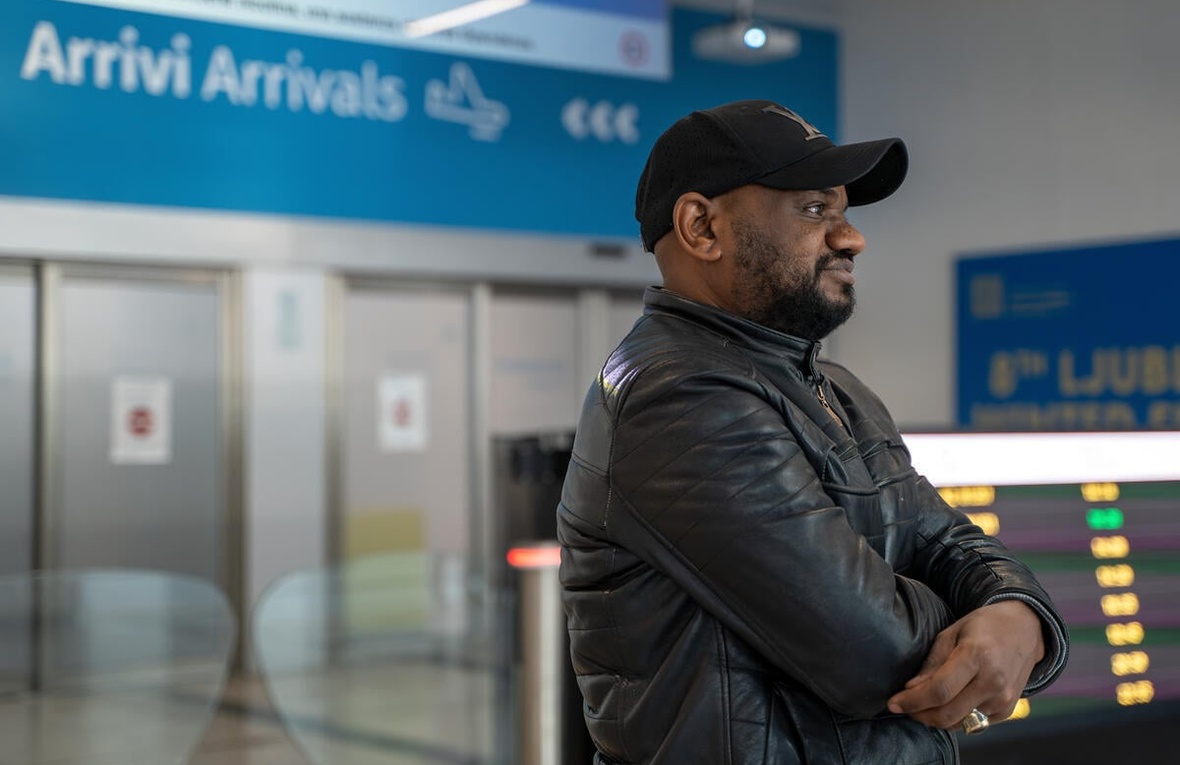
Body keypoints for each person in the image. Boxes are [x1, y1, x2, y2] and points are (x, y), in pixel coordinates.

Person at [556, 99, 1069, 764]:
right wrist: (987, 623)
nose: (851, 237)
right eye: (814, 209)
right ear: (702, 227)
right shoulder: (675, 393)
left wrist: (1016, 609)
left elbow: (949, 539)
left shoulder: (840, 390)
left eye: (844, 211)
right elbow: (867, 647)